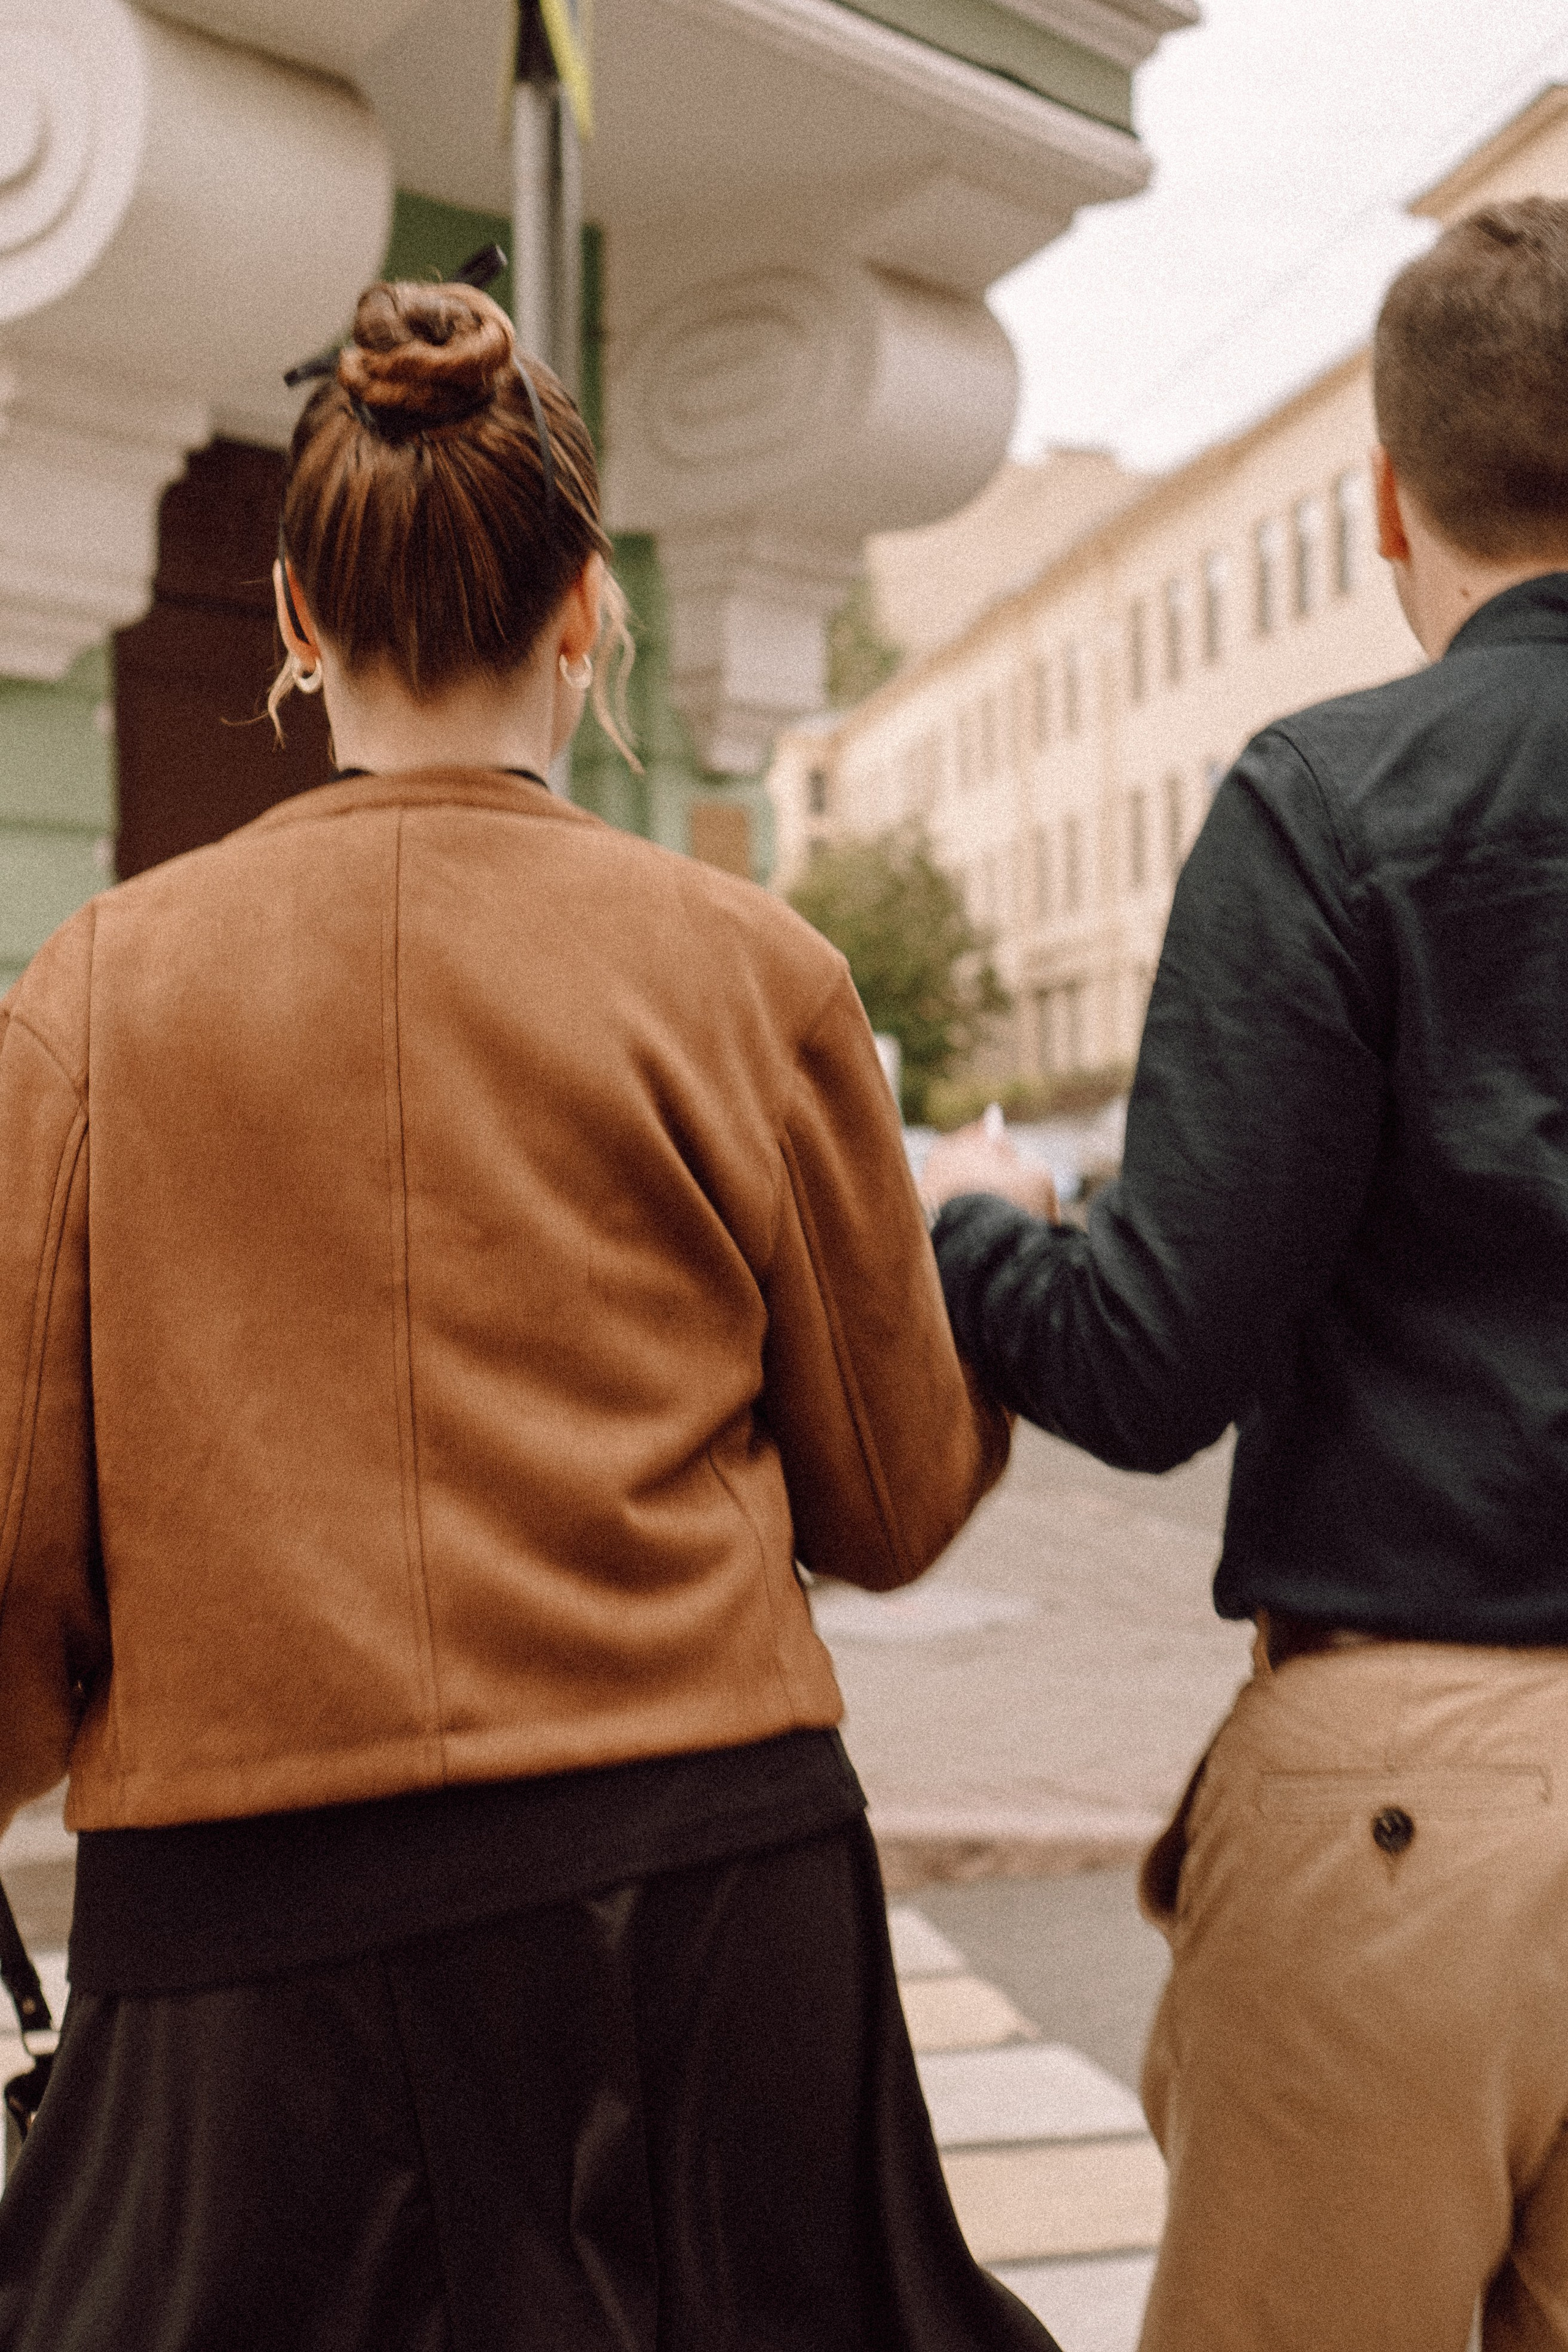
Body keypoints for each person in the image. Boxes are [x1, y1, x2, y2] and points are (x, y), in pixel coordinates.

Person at [0, 272, 1056, 2352]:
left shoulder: (93, 994)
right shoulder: (755, 975)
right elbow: (895, 1497)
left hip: (248, 1945)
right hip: (709, 1912)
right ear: (585, 606)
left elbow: (14, 1545)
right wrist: (988, 1230)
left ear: (298, 616)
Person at [922, 197, 1568, 2352]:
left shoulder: (1325, 804)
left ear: (1385, 500)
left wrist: (972, 1227)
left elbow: (1145, 1359)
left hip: (1405, 1803)